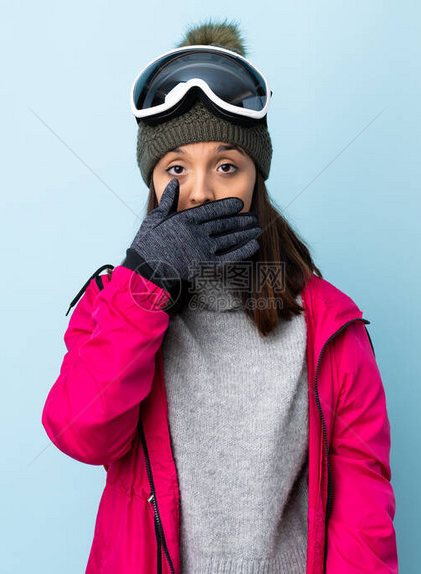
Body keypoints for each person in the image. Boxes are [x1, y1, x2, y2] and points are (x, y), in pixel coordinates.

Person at [42, 19, 398, 574]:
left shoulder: (329, 326)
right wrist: (144, 283)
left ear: (257, 179)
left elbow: (362, 515)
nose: (202, 190)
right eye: (176, 168)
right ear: (153, 184)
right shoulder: (115, 306)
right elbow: (82, 433)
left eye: (227, 166)